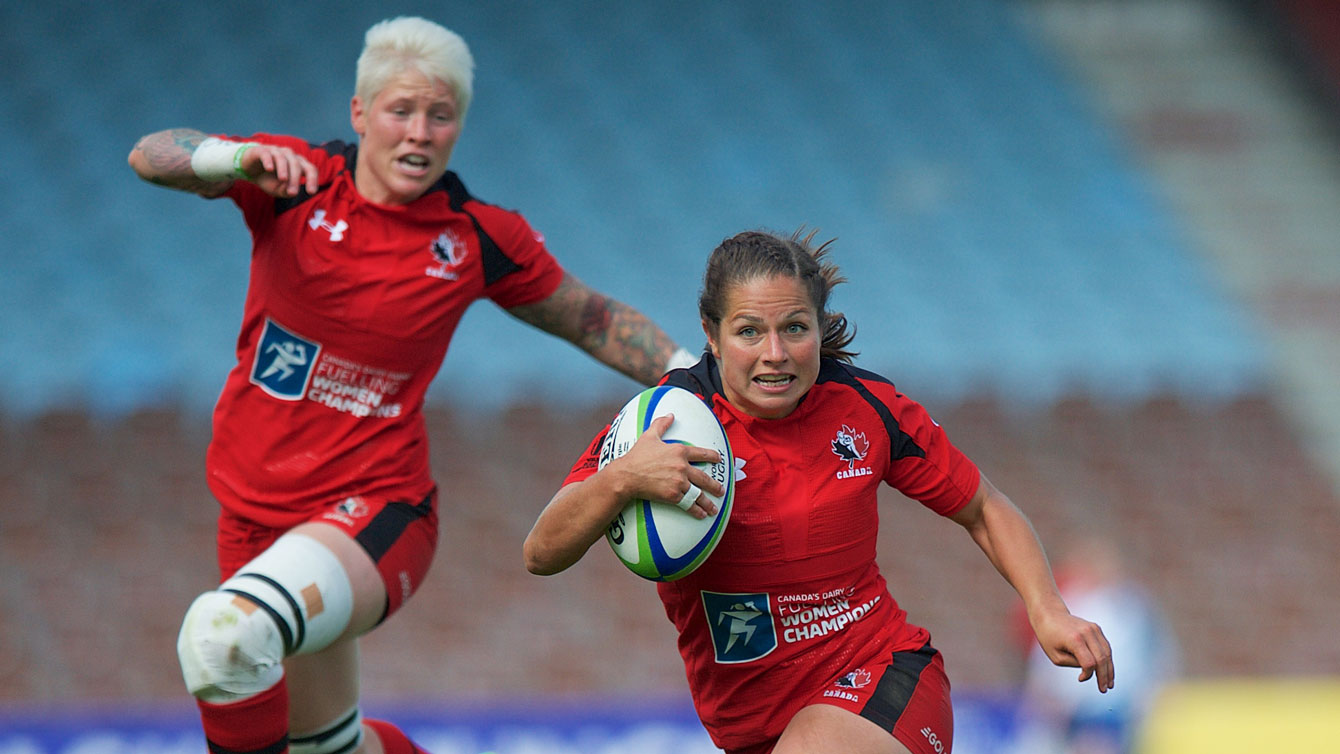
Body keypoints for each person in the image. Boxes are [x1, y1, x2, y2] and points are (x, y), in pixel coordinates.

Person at [127, 16, 697, 754]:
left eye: (440, 115)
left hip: (375, 515)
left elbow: (592, 318)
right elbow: (149, 154)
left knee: (221, 636)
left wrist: (704, 377)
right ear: (360, 113)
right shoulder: (291, 181)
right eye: (401, 111)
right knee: (325, 750)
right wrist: (230, 159)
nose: (420, 133)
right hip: (251, 521)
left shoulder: (474, 236)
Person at [524, 229, 1115, 754]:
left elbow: (984, 508)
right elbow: (541, 553)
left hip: (881, 675)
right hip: (750, 729)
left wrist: (1048, 611)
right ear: (711, 332)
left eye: (795, 329)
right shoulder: (665, 424)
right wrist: (622, 477)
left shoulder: (869, 409)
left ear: (820, 326)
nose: (774, 355)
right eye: (749, 331)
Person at [1008, 536, 1179, 754]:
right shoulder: (1071, 604)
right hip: (1074, 710)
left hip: (1115, 710)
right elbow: (1046, 657)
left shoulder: (1133, 609)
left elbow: (1158, 658)